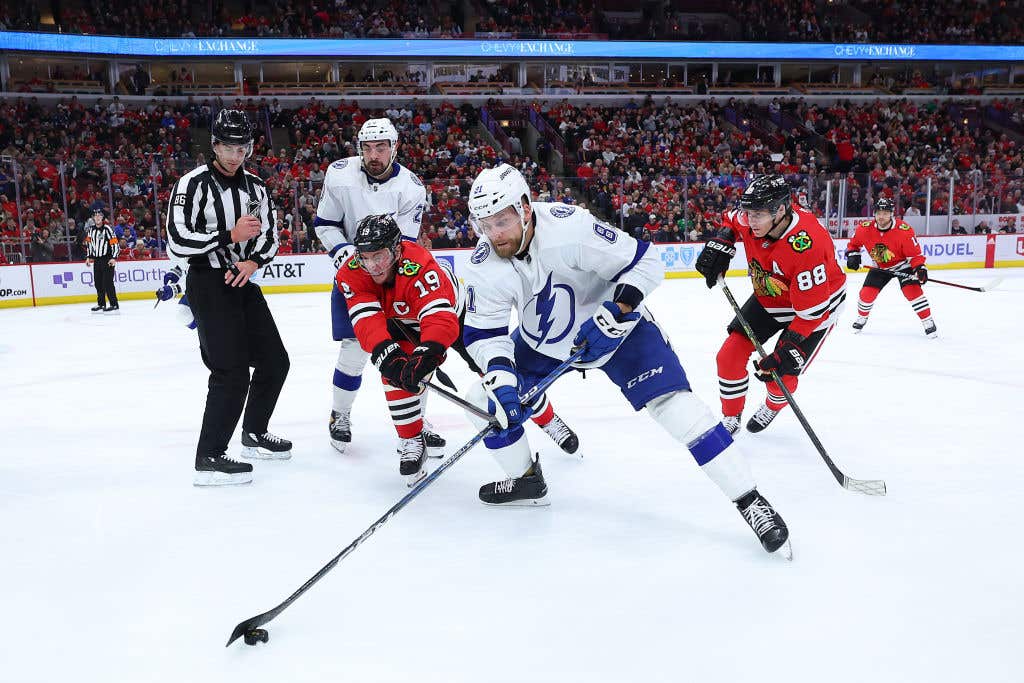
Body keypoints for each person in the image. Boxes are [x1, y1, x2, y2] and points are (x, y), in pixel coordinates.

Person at [460, 164, 791, 558]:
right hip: (543, 342)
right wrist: (500, 377)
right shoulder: (482, 265)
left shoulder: (571, 229)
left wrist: (619, 308)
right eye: (485, 224)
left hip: (618, 334)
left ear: (525, 208)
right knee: (484, 402)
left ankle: (750, 500)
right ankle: (526, 481)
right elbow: (485, 334)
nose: (495, 234)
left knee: (678, 409)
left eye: (503, 220)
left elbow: (647, 262)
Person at [166, 108, 290, 486]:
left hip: (243, 278)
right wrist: (227, 237)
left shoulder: (256, 188)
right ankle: (210, 456)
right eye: (229, 147)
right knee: (230, 371)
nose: (236, 156)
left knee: (275, 361)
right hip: (207, 282)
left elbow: (268, 235)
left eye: (243, 148)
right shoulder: (191, 184)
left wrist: (252, 262)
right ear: (215, 145)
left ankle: (254, 431)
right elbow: (177, 239)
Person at [313, 117, 431, 454]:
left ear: (395, 148)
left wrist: (389, 274)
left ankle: (419, 421)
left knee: (411, 352)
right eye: (367, 148)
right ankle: (340, 414)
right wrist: (345, 253)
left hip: (396, 279)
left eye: (380, 147)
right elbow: (325, 224)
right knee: (354, 350)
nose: (373, 154)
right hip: (354, 275)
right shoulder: (339, 174)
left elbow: (406, 243)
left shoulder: (411, 187)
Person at [695, 175, 846, 435]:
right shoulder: (750, 218)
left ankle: (773, 404)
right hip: (771, 295)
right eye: (748, 212)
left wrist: (788, 347)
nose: (750, 221)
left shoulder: (806, 245)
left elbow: (811, 313)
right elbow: (732, 220)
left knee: (781, 376)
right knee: (728, 357)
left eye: (758, 215)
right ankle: (731, 417)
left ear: (781, 210)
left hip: (816, 309)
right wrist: (724, 240)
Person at [335, 214, 461, 485]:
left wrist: (428, 353)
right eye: (365, 257)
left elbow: (439, 316)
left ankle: (540, 413)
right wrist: (387, 356)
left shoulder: (419, 265)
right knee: (392, 368)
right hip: (394, 315)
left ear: (396, 249)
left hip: (449, 311)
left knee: (477, 363)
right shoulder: (352, 271)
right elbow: (367, 321)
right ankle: (411, 437)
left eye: (378, 256)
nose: (371, 265)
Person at [846, 197, 936, 338]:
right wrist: (853, 255)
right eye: (879, 213)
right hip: (880, 267)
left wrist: (920, 269)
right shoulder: (864, 229)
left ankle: (927, 320)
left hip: (902, 266)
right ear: (874, 213)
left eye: (885, 213)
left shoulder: (904, 230)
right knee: (866, 295)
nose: (881, 216)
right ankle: (862, 317)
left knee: (913, 292)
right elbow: (853, 244)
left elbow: (915, 255)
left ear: (891, 214)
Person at [84, 209, 120, 312]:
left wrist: (114, 258)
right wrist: (88, 257)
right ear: (93, 218)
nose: (97, 217)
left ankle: (114, 304)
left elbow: (115, 243)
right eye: (95, 215)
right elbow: (89, 244)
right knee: (98, 283)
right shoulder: (91, 230)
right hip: (97, 260)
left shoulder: (107, 229)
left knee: (107, 283)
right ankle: (101, 304)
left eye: (99, 215)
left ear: (102, 217)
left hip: (107, 260)